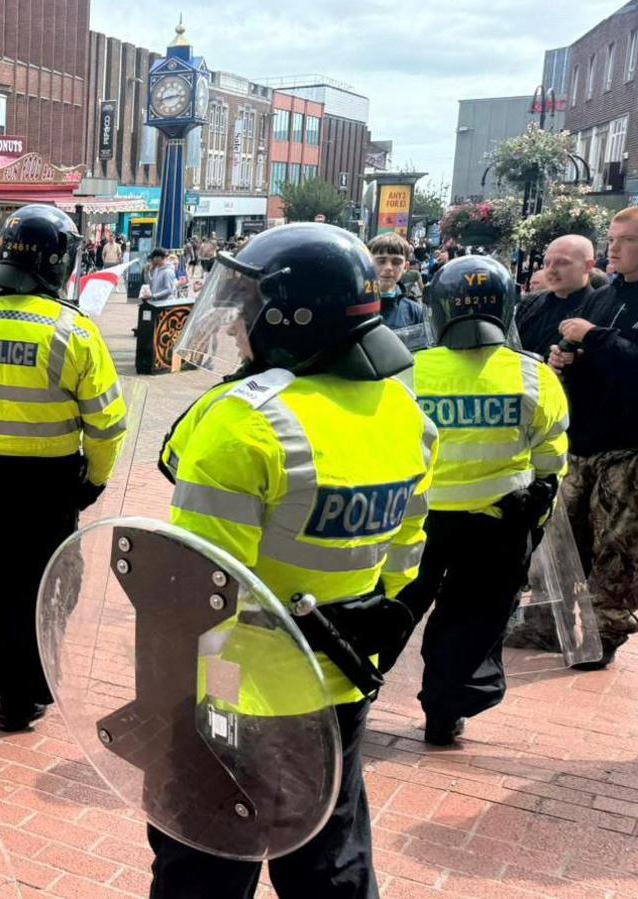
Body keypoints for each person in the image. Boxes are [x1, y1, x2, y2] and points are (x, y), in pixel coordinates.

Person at [156, 223, 435, 897]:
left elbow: (195, 595)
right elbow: (402, 565)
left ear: (290, 318)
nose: (237, 324)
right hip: (339, 682)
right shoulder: (404, 411)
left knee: (205, 863)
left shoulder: (244, 421)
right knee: (330, 861)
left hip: (230, 691)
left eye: (248, 307)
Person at [0, 204, 128, 732]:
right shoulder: (76, 333)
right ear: (59, 262)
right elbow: (108, 426)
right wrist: (95, 479)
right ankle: (24, 696)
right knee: (41, 586)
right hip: (48, 486)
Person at [380, 255, 566, 746]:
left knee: (388, 609)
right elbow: (551, 456)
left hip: (411, 523)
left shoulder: (406, 372)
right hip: (498, 523)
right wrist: (539, 503)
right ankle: (445, 714)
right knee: (471, 622)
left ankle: (345, 700)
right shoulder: (535, 377)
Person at [548, 207, 638, 669]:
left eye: (626, 240)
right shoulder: (607, 293)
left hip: (627, 448)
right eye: (611, 238)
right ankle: (553, 624)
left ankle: (605, 634)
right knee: (564, 541)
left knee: (616, 549)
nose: (614, 249)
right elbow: (583, 347)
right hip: (582, 441)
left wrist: (596, 338)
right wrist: (565, 357)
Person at [516, 235, 596, 360]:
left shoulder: (599, 311)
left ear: (588, 266)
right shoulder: (530, 301)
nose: (551, 270)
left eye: (562, 263)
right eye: (547, 263)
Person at [366, 233, 426, 329]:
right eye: (381, 261)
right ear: (367, 262)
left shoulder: (414, 312)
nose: (388, 268)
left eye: (396, 262)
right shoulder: (352, 307)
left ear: (405, 267)